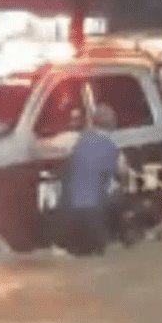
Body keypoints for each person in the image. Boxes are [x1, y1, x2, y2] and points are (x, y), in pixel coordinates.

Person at [62, 105, 127, 255]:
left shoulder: (77, 140)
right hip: (94, 212)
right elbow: (122, 172)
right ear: (113, 125)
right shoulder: (113, 148)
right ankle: (122, 236)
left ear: (92, 122)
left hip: (68, 212)